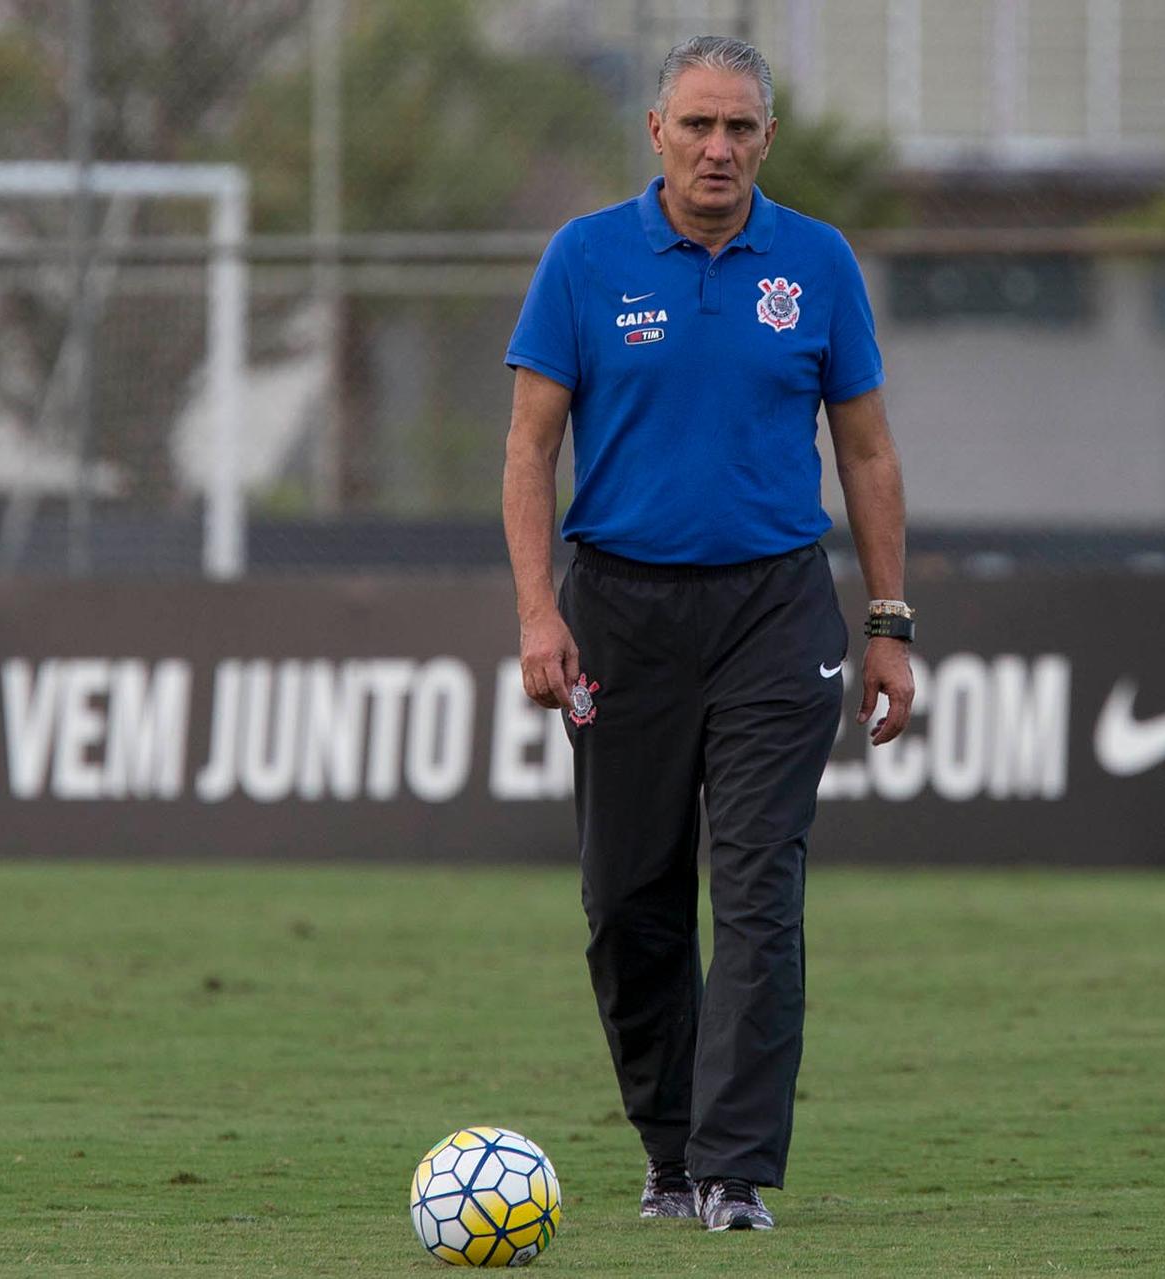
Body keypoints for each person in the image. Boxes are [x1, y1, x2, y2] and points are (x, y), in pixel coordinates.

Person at [501, 35, 916, 1233]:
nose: (718, 148)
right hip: (619, 610)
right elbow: (530, 447)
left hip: (776, 610)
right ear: (656, 133)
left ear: (767, 140)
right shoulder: (584, 259)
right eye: (698, 126)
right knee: (626, 900)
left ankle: (735, 1173)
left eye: (740, 128)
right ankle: (670, 1152)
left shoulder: (820, 262)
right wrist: (539, 610)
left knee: (756, 888)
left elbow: (870, 451)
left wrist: (888, 623)